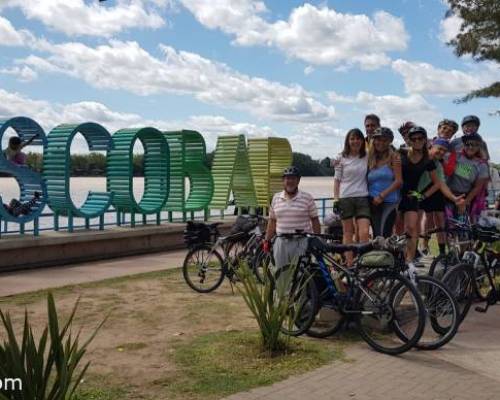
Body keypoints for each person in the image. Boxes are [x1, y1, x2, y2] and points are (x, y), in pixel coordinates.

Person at [263, 166, 320, 269]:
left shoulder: (307, 198)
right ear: (283, 181)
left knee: (301, 275)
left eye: (293, 178)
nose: (290, 181)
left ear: (298, 180)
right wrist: (267, 240)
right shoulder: (276, 198)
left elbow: (315, 220)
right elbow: (272, 221)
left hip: (301, 242)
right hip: (281, 242)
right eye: (287, 178)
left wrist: (317, 239)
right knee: (281, 274)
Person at [418, 138, 464, 255]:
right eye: (440, 149)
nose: (442, 152)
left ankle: (442, 252)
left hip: (424, 193)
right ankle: (418, 249)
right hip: (411, 193)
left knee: (439, 220)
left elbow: (442, 183)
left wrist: (454, 198)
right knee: (415, 222)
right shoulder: (418, 155)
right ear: (432, 146)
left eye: (445, 151)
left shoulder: (438, 164)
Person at [333, 128, 371, 265]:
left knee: (364, 232)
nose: (355, 141)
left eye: (358, 138)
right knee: (348, 232)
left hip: (363, 197)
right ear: (348, 141)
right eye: (352, 139)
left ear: (362, 141)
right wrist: (336, 199)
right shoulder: (340, 158)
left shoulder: (367, 156)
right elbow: (337, 181)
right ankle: (349, 263)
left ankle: (363, 263)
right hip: (345, 197)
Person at [367, 127, 402, 238]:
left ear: (389, 141)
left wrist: (382, 196)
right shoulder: (370, 158)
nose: (380, 143)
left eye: (384, 140)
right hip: (373, 201)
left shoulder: (394, 157)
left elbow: (398, 181)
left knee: (385, 234)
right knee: (376, 235)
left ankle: (389, 255)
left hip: (389, 201)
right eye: (378, 139)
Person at [447, 133, 490, 221]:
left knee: (462, 228)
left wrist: (465, 203)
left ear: (479, 147)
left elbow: (477, 187)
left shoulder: (482, 165)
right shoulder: (454, 156)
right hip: (447, 196)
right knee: (446, 227)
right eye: (468, 144)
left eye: (474, 145)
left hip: (465, 198)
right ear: (464, 145)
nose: (470, 147)